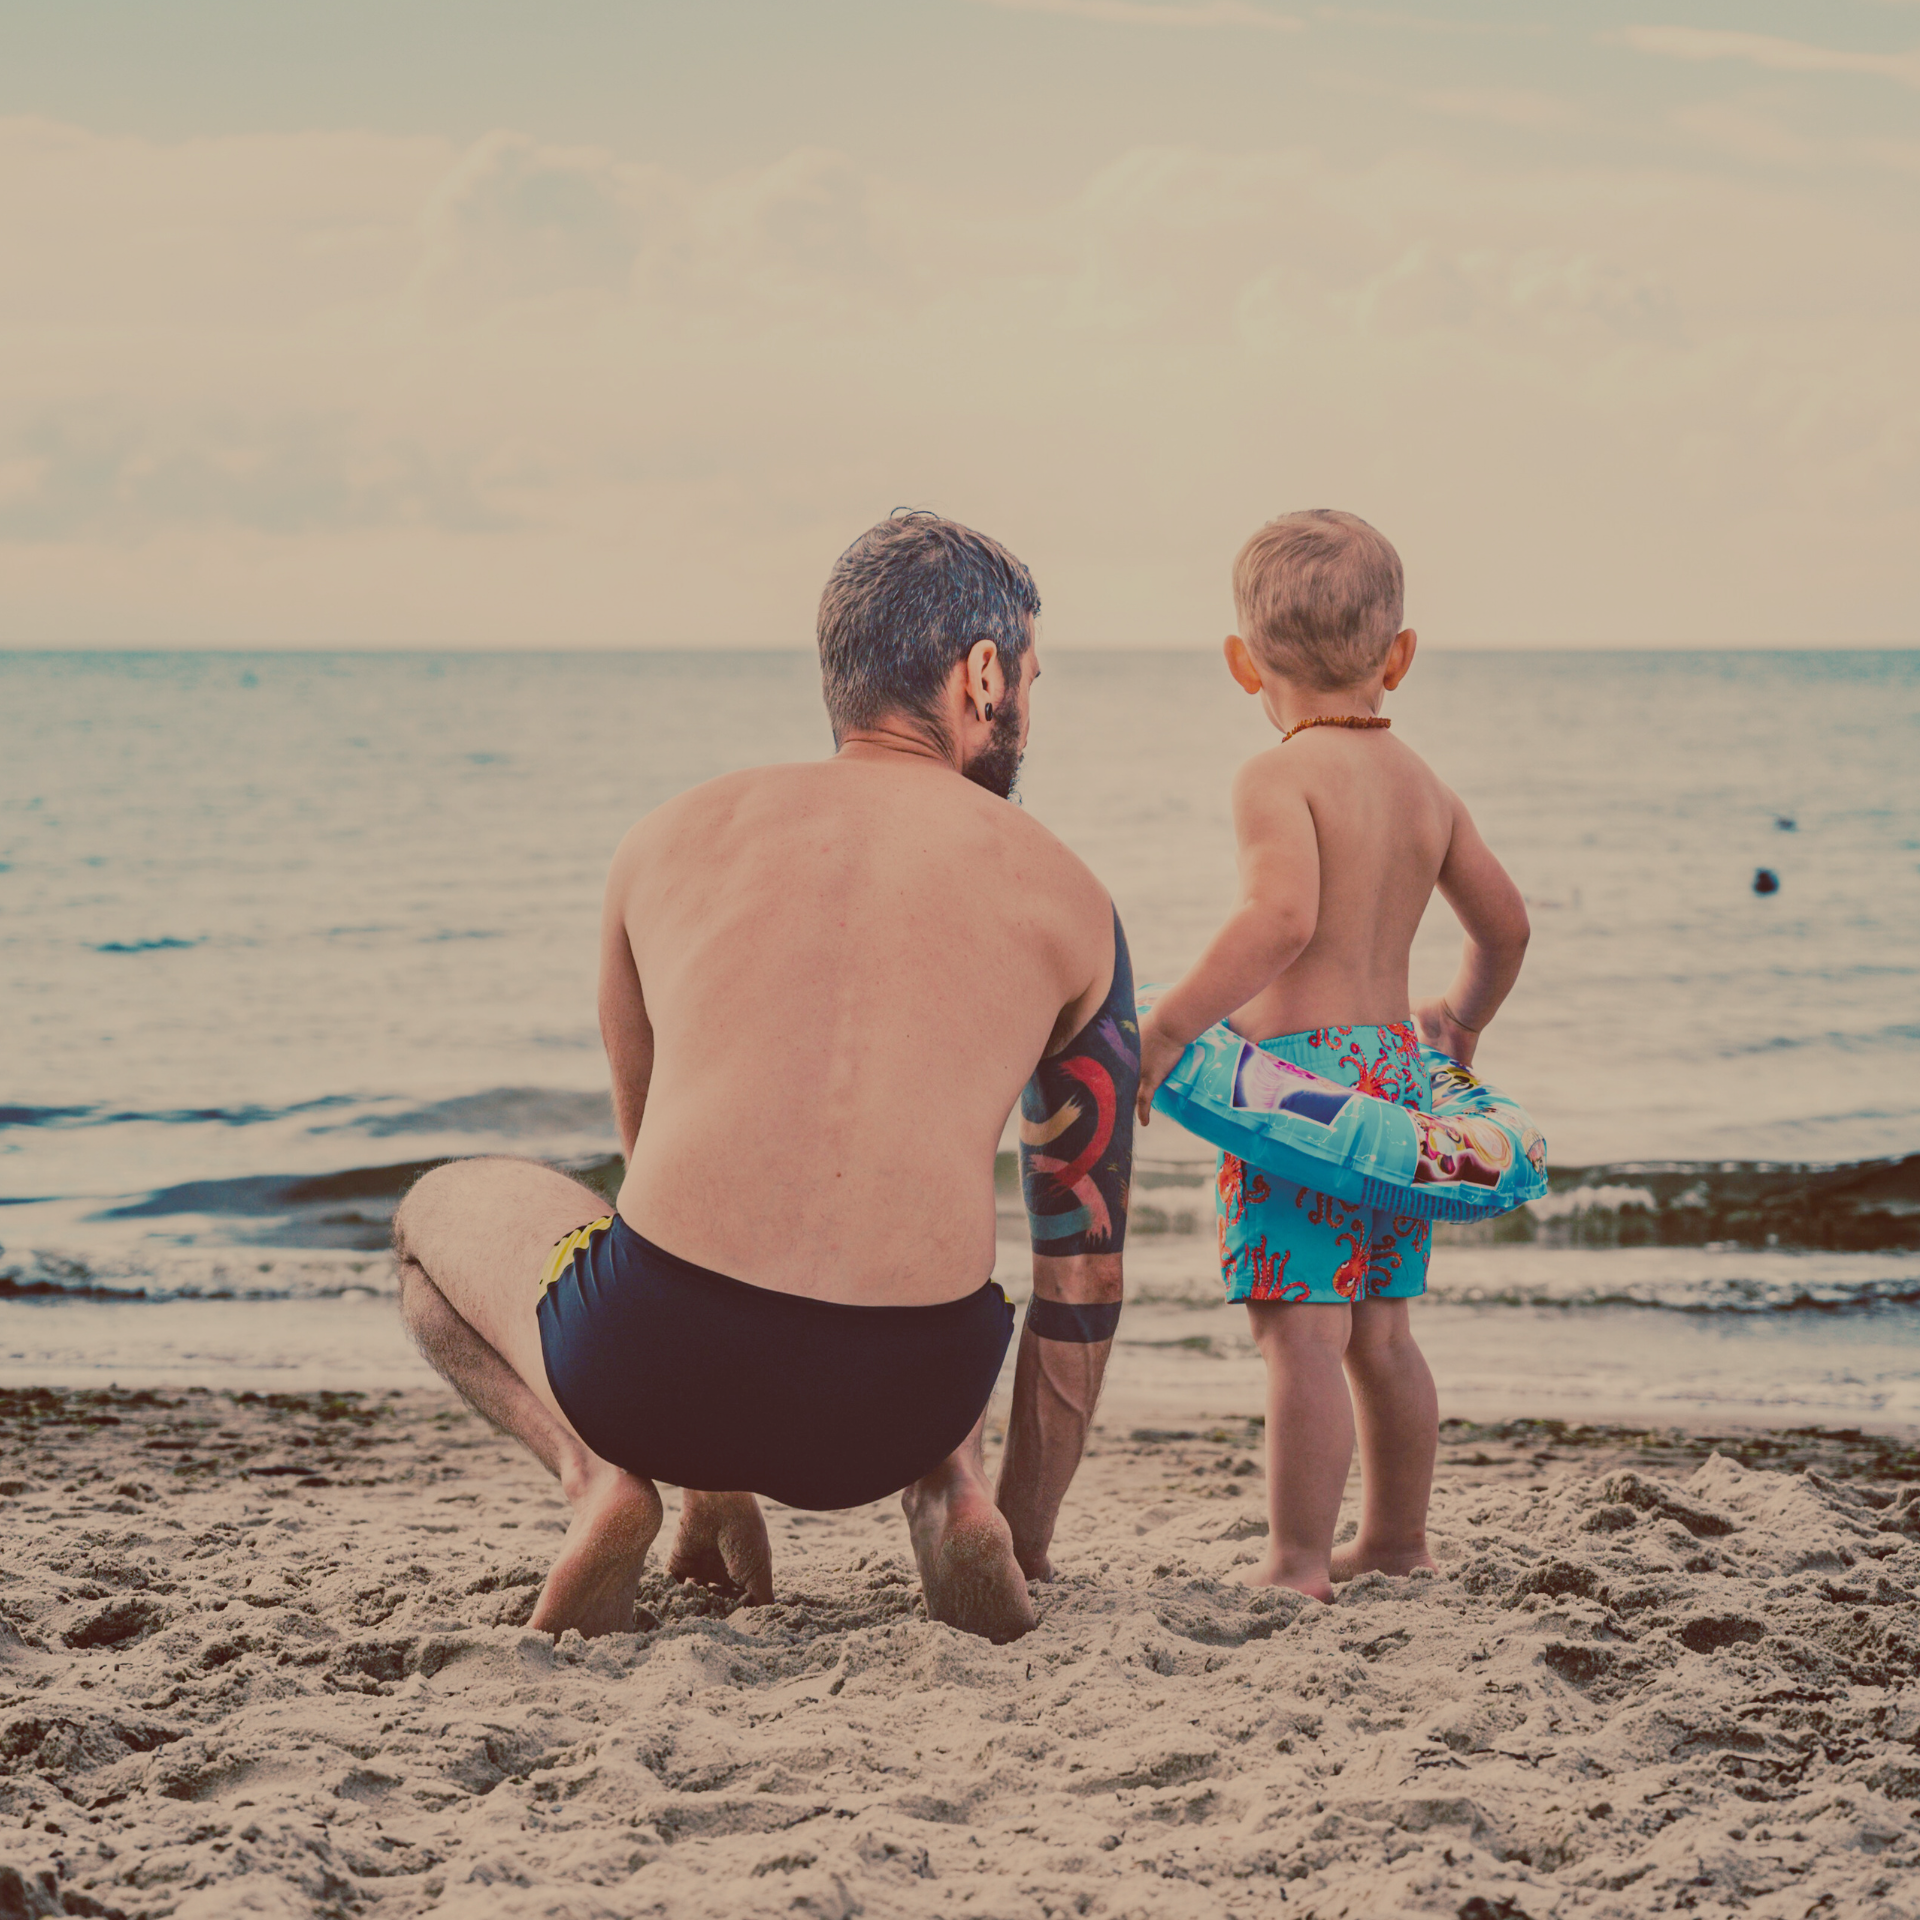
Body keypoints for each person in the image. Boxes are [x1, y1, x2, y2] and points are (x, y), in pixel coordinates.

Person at [392, 511, 1138, 1644]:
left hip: (657, 1365)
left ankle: (605, 1483)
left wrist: (707, 1472)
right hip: (904, 1404)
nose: (1029, 710)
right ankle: (954, 1499)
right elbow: (1082, 1275)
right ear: (981, 675)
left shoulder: (669, 839)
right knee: (947, 1244)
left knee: (429, 1219)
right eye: (1030, 678)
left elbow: (655, 1175)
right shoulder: (1073, 900)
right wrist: (1027, 1540)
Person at [1134, 509, 1529, 1602]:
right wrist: (1459, 1022)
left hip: (1300, 1093)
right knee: (1382, 1331)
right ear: (1398, 658)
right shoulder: (1425, 788)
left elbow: (1279, 919)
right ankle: (1397, 1540)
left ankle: (1298, 1561)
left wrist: (1164, 1036)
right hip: (1396, 1084)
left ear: (1239, 664)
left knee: (1300, 1331)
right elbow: (1507, 929)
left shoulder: (1277, 776)